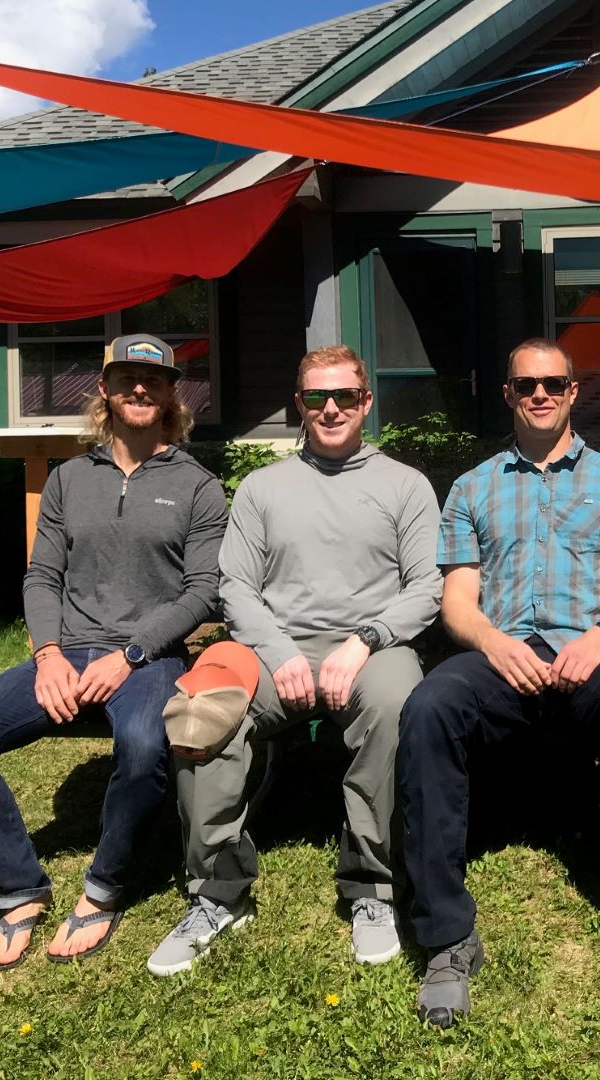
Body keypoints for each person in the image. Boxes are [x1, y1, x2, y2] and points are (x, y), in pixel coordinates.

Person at [398, 338, 600, 1027]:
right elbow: (458, 602)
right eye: (525, 384)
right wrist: (494, 643)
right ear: (508, 393)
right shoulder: (473, 487)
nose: (539, 394)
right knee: (429, 706)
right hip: (505, 654)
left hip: (595, 650)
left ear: (571, 392)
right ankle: (445, 937)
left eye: (553, 384)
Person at [0, 334, 227, 968]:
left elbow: (204, 590)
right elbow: (42, 578)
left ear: (172, 392)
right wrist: (49, 656)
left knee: (145, 746)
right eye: (125, 378)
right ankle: (18, 889)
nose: (138, 389)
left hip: (152, 658)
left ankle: (103, 888)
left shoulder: (199, 486)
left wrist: (135, 653)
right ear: (104, 390)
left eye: (152, 379)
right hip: (68, 653)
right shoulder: (69, 478)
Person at [149, 345, 441, 976]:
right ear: (300, 405)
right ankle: (217, 888)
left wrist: (363, 640)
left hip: (370, 650)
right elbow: (235, 587)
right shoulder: (262, 488)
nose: (330, 408)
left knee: (396, 705)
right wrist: (277, 652)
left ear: (366, 402)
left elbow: (426, 588)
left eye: (343, 396)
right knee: (201, 704)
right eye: (316, 397)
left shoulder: (405, 485)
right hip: (272, 650)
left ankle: (372, 886)